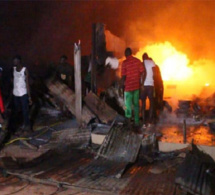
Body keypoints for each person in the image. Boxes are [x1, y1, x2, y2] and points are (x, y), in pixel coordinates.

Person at [121, 48, 144, 128]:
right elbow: (143, 72)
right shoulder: (137, 61)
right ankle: (136, 122)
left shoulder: (124, 63)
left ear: (125, 54)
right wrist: (141, 83)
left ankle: (129, 123)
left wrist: (121, 87)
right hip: (136, 87)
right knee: (136, 105)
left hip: (128, 88)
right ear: (132, 53)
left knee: (128, 106)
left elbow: (123, 76)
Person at [12, 55, 32, 132]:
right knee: (17, 110)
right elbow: (13, 80)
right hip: (15, 93)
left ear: (19, 61)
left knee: (25, 110)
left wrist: (29, 97)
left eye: (15, 60)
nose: (14, 62)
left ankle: (27, 126)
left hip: (23, 93)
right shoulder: (13, 69)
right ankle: (20, 124)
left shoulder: (24, 70)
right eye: (14, 61)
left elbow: (27, 84)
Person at [141, 53, 156, 128]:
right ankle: (150, 121)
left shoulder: (142, 63)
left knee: (143, 104)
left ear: (143, 58)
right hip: (150, 85)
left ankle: (143, 122)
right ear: (147, 57)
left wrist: (141, 84)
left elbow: (140, 74)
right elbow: (155, 73)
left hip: (143, 86)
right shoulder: (151, 62)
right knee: (151, 103)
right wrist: (153, 79)